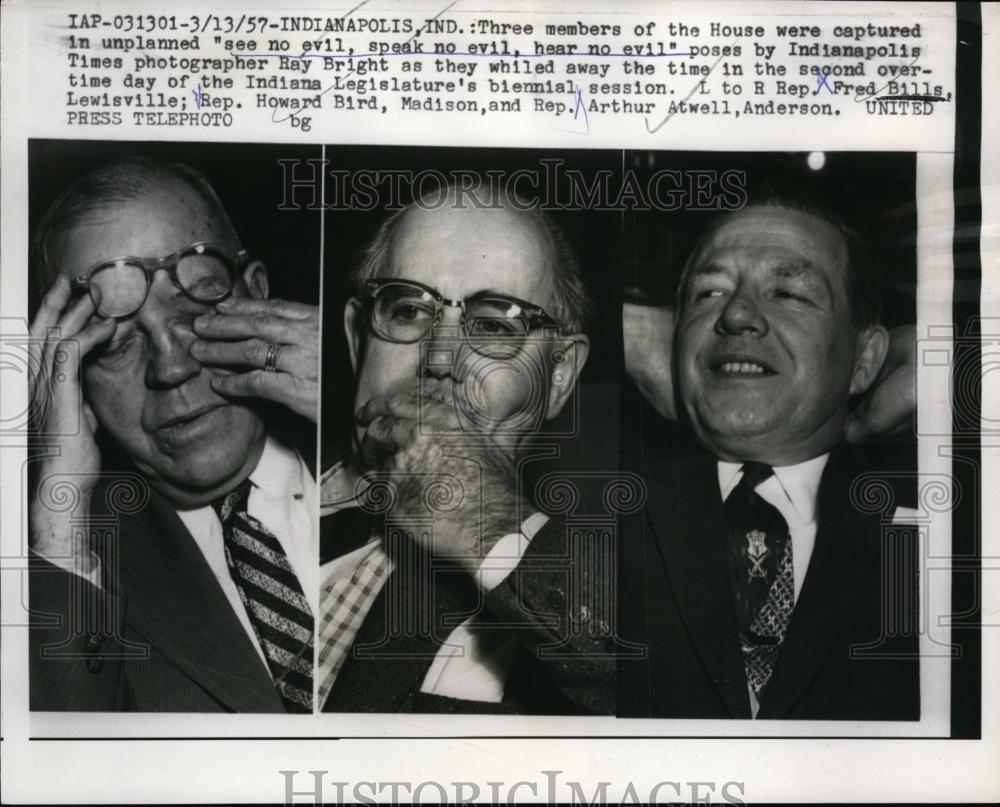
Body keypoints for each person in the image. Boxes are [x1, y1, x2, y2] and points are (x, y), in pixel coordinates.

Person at [28, 156, 320, 712]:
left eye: (194, 311)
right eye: (114, 345)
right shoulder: (78, 571)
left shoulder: (378, 468)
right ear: (69, 378)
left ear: (259, 298)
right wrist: (58, 517)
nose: (170, 368)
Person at [319, 182, 618, 714]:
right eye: (409, 309)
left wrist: (487, 528)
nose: (439, 357)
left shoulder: (587, 595)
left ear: (559, 376)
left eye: (492, 324)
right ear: (356, 337)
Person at [619, 193, 921, 720]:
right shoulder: (603, 494)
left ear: (865, 358)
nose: (736, 314)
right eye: (708, 292)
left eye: (789, 293)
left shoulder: (944, 522)